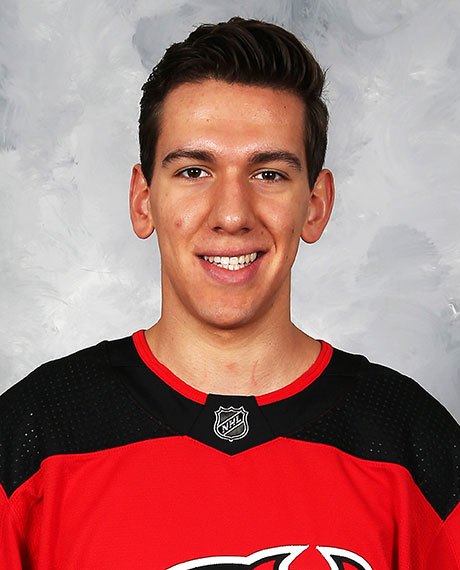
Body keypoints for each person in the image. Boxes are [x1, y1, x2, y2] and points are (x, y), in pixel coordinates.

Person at [1, 17, 459, 570]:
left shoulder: (413, 446)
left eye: (269, 174)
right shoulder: (36, 435)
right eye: (195, 171)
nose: (233, 214)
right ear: (143, 201)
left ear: (315, 206)